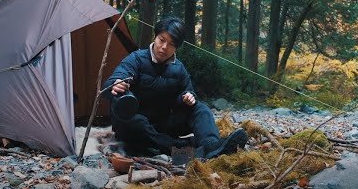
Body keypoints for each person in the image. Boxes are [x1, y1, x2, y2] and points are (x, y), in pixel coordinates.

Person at [102, 16, 248, 159]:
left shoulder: (178, 68)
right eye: (162, 40)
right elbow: (113, 81)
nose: (164, 47)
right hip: (135, 126)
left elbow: (188, 91)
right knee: (136, 122)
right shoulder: (136, 59)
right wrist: (116, 84)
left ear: (176, 47)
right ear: (155, 37)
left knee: (201, 109)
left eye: (171, 44)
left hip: (163, 123)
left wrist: (188, 97)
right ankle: (186, 148)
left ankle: (211, 145)